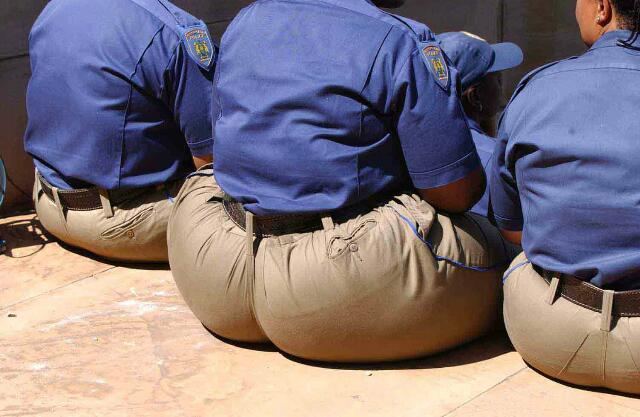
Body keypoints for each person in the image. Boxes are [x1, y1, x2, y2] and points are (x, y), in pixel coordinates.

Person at [168, 0, 513, 363]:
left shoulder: (249, 18)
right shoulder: (399, 39)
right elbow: (455, 194)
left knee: (207, 181)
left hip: (213, 267)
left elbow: (220, 145)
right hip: (329, 291)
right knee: (513, 263)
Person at [493, 0, 640, 394]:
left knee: (519, 260)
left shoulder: (538, 86)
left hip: (552, 335)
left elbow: (512, 229)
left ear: (602, 8)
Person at [24, 0, 217, 262]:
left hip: (48, 204)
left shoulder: (54, 9)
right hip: (125, 224)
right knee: (262, 200)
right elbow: (211, 166)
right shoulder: (175, 33)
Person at [437, 32, 523, 217]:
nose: (501, 89)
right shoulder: (497, 161)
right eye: (497, 79)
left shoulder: (415, 145)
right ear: (475, 97)